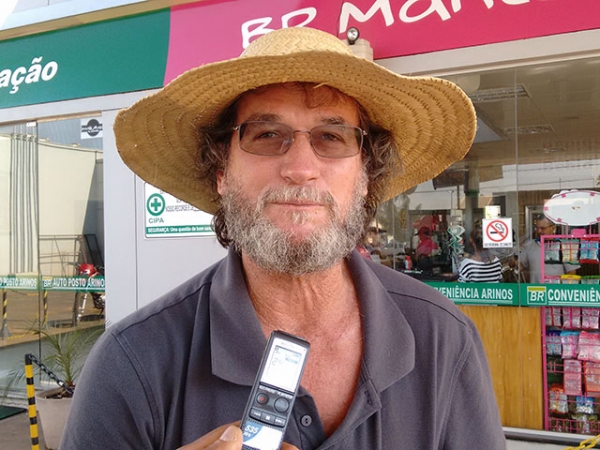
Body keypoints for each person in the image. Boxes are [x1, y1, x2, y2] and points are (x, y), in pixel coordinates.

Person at [60, 27, 505, 449]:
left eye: (332, 137)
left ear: (366, 176)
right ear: (221, 174)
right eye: (267, 135)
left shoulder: (444, 339)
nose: (300, 168)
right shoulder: (131, 363)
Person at [520, 215, 579, 283]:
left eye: (542, 228)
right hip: (535, 291)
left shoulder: (565, 246)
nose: (539, 231)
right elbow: (521, 267)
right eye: (537, 228)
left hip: (556, 291)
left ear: (553, 228)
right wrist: (514, 261)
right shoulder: (529, 245)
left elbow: (572, 272)